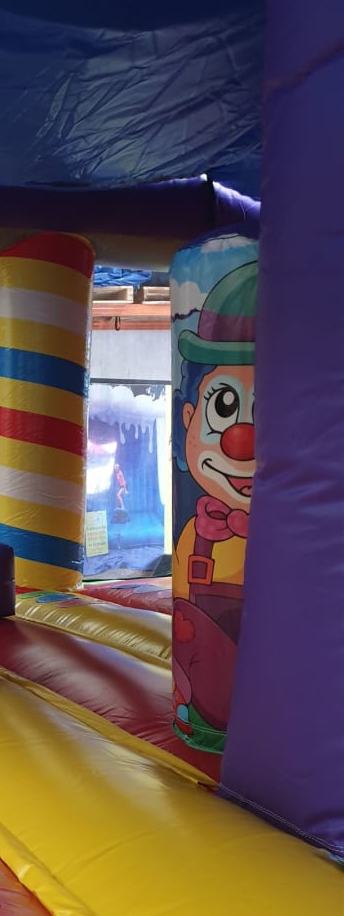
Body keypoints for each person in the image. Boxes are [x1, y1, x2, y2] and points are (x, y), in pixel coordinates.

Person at [172, 261, 256, 749]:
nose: (240, 442)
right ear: (188, 418)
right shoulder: (197, 533)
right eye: (223, 407)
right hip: (202, 710)